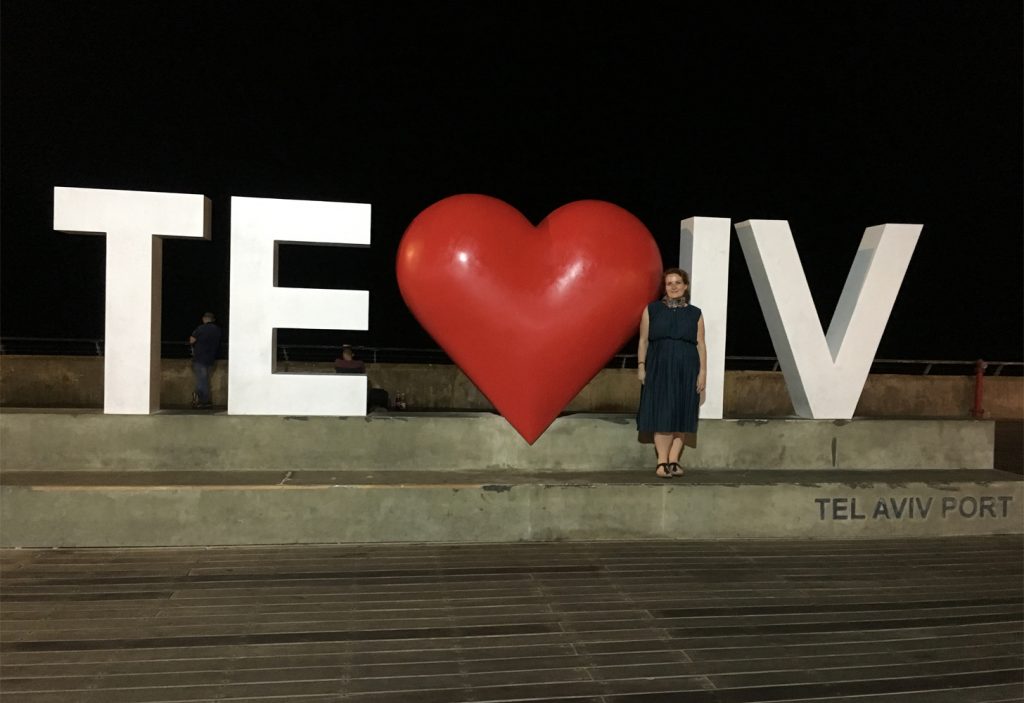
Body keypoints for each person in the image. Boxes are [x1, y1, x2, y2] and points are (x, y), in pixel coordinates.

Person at [636, 268, 707, 478]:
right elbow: (643, 340)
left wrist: (702, 372)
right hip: (659, 365)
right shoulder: (652, 310)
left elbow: (701, 345)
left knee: (681, 413)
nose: (674, 286)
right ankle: (661, 462)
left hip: (687, 367)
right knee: (662, 413)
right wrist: (641, 366)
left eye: (678, 282)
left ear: (685, 286)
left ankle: (674, 460)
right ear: (664, 287)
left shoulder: (695, 313)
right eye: (669, 283)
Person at [189, 312, 221, 409]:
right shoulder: (217, 330)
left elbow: (192, 340)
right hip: (211, 358)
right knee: (205, 379)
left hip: (199, 357)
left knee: (201, 380)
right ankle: (205, 400)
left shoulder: (201, 328)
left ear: (204, 319)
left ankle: (201, 399)